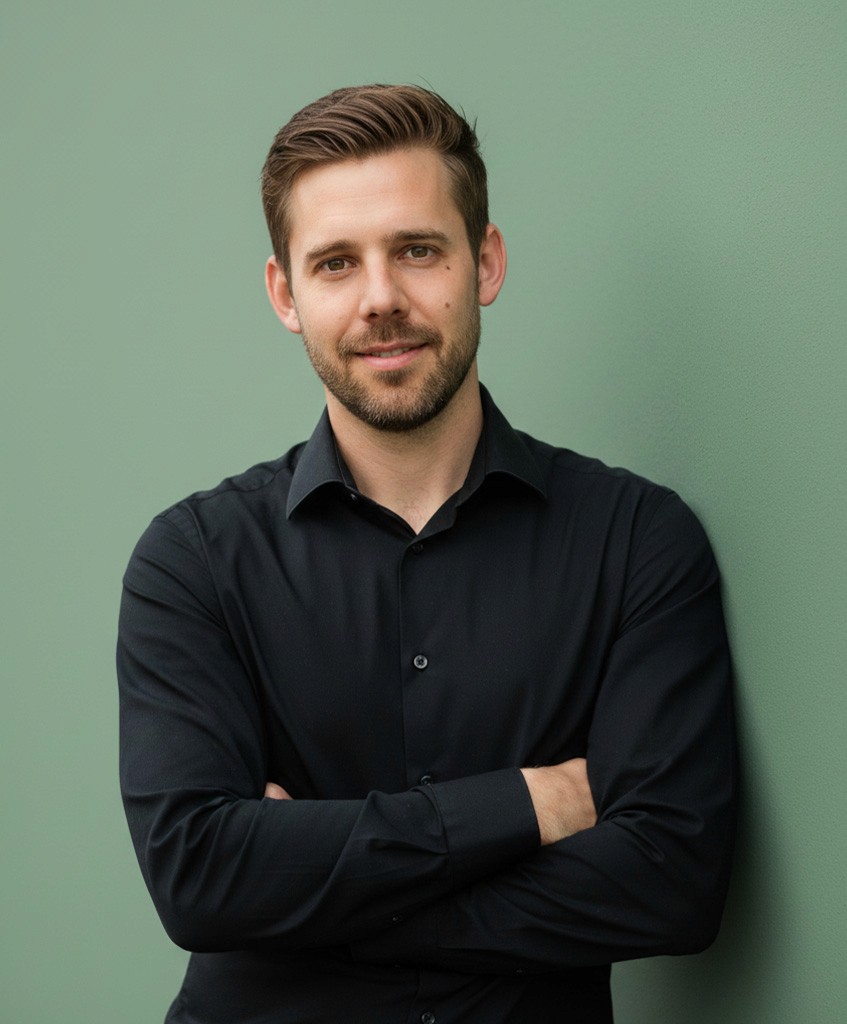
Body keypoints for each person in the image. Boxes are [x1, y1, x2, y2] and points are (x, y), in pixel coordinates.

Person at [117, 84, 736, 1024]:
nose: (381, 300)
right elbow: (201, 879)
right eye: (334, 263)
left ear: (483, 261)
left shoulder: (635, 540)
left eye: (416, 250)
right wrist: (528, 806)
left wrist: (306, 896)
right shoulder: (193, 562)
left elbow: (668, 880)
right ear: (286, 294)